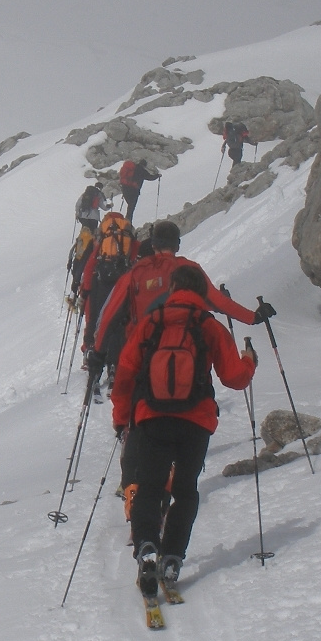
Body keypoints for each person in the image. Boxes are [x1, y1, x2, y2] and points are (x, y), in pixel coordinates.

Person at [89, 220, 272, 517]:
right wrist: (252, 317)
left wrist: (96, 351)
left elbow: (108, 312)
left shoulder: (136, 272)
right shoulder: (189, 270)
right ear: (177, 243)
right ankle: (168, 483)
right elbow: (217, 301)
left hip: (142, 356)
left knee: (138, 424)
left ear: (151, 241)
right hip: (188, 362)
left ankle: (133, 489)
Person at [110, 264, 257, 600]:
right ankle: (172, 558)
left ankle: (147, 547)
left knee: (149, 488)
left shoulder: (151, 322)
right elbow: (234, 377)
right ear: (201, 292)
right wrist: (250, 360)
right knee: (186, 491)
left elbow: (125, 374)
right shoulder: (209, 326)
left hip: (152, 417)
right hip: (195, 421)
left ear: (173, 287)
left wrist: (122, 418)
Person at [78, 209, 138, 398]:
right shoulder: (128, 234)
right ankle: (114, 366)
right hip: (122, 283)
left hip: (101, 282)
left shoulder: (103, 236)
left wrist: (85, 290)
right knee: (118, 323)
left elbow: (90, 265)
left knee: (98, 320)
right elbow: (136, 258)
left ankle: (93, 361)